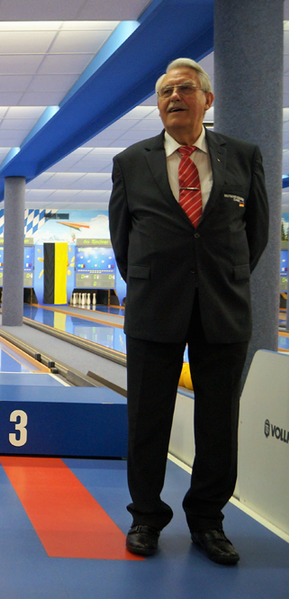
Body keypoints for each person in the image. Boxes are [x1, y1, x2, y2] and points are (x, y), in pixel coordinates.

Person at [108, 58, 269, 565]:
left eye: (184, 89)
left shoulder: (243, 156)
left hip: (223, 306)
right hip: (155, 306)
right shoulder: (130, 161)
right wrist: (153, 280)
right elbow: (122, 240)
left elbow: (257, 234)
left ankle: (208, 521)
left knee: (218, 421)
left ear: (207, 99)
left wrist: (220, 277)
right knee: (147, 419)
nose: (174, 97)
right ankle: (145, 517)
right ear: (158, 106)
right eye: (165, 92)